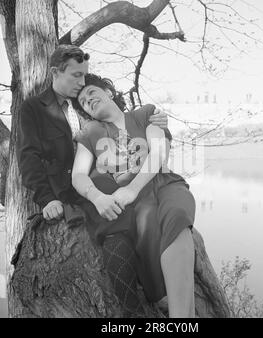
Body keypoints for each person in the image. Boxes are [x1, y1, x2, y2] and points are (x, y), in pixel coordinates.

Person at [17, 44, 169, 317]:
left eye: (85, 76)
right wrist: (47, 198)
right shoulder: (34, 108)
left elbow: (130, 132)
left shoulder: (87, 106)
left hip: (117, 186)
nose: (82, 81)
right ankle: (133, 314)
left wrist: (157, 121)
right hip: (75, 194)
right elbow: (28, 157)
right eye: (76, 75)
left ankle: (158, 292)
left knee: (143, 219)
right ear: (55, 72)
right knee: (114, 235)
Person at [72, 74, 196, 318]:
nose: (88, 100)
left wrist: (132, 188)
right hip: (135, 202)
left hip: (162, 183)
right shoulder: (90, 133)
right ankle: (164, 297)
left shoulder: (144, 114)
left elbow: (159, 151)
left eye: (91, 93)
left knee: (177, 215)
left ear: (107, 91)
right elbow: (78, 175)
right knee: (145, 224)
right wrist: (97, 197)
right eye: (83, 102)